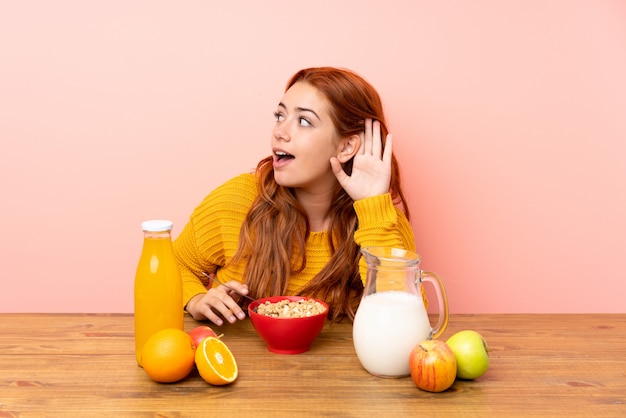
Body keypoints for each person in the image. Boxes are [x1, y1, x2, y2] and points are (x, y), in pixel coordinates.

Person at [173, 67, 416, 326]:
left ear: (346, 147)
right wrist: (196, 298)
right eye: (280, 115)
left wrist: (372, 206)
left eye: (303, 121)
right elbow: (172, 264)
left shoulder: (383, 220)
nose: (280, 131)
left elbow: (404, 323)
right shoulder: (237, 200)